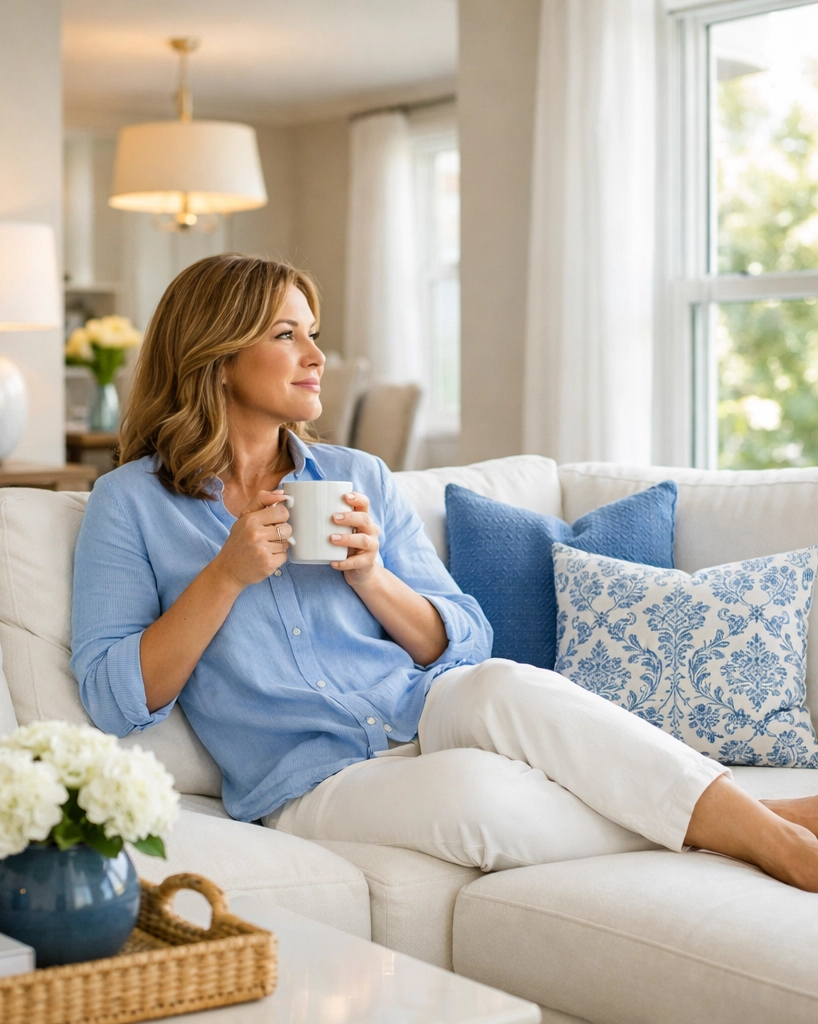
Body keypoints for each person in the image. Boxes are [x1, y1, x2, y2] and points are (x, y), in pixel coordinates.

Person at [71, 252, 818, 890]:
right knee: (477, 799)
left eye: (314, 334)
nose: (316, 355)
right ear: (217, 354)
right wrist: (225, 576)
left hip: (425, 708)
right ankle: (758, 819)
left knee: (507, 683)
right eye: (285, 334)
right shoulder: (130, 502)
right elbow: (114, 697)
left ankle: (770, 842)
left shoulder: (356, 473)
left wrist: (372, 577)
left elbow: (466, 638)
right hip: (307, 780)